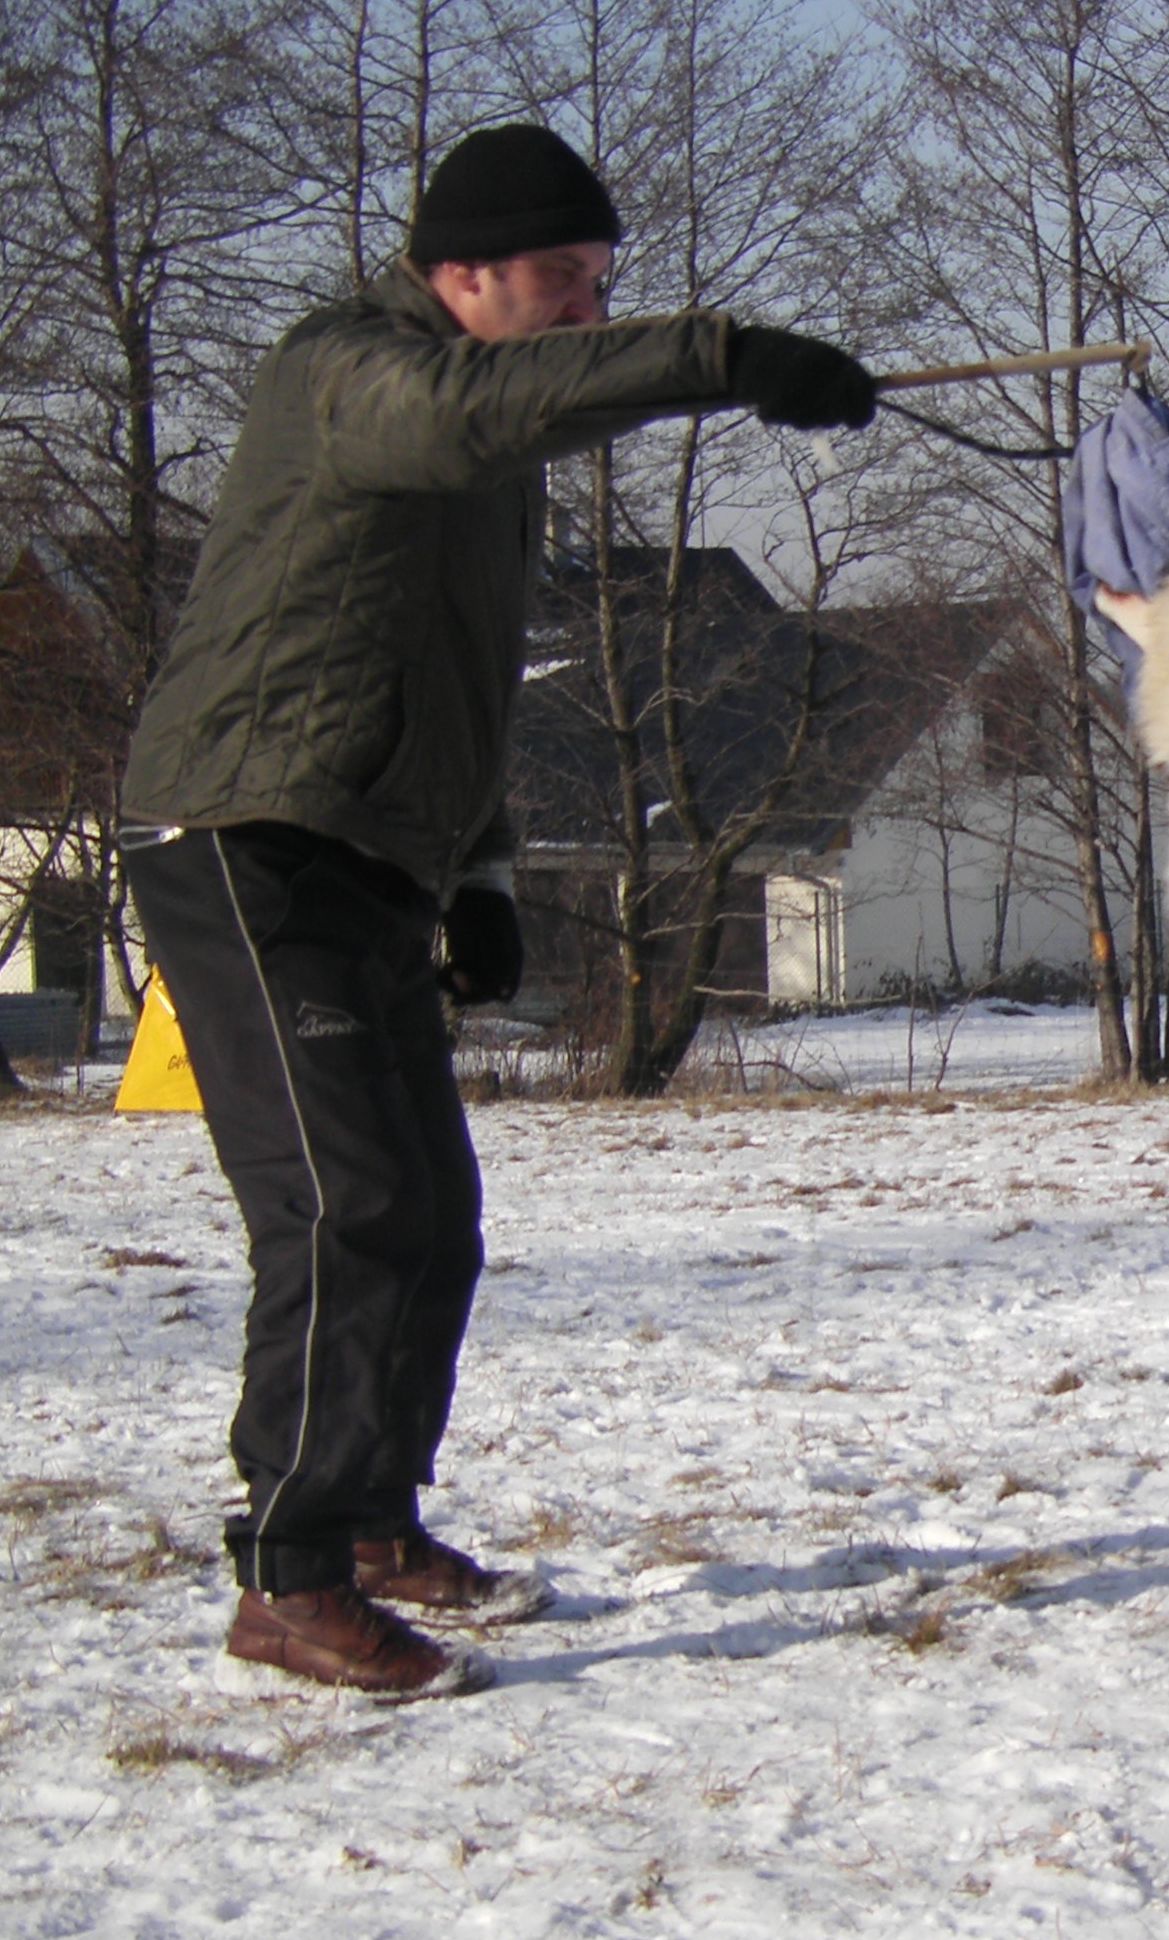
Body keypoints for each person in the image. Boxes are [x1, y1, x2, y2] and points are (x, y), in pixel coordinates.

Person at [121, 124, 883, 1698]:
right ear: (459, 272)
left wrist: (476, 871)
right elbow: (473, 413)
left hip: (368, 854)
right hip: (247, 839)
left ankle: (376, 1522)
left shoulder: (484, 458)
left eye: (608, 285)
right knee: (347, 1210)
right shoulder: (349, 372)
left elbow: (452, 680)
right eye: (564, 282)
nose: (588, 312)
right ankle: (291, 1572)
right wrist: (724, 355)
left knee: (431, 1216)